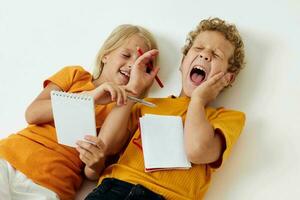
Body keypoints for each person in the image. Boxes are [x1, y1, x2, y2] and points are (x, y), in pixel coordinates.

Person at [83, 17, 246, 200]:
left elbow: (197, 151)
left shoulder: (228, 118)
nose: (204, 55)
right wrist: (132, 91)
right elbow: (107, 145)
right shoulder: (147, 106)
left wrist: (198, 101)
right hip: (113, 189)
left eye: (216, 55)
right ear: (183, 61)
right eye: (199, 49)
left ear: (228, 78)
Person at [0, 24, 159, 200]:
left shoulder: (129, 111)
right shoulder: (75, 75)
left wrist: (132, 91)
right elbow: (32, 114)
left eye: (140, 64)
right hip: (8, 157)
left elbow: (97, 163)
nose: (131, 65)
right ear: (106, 55)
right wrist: (91, 98)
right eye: (126, 55)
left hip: (51, 185)